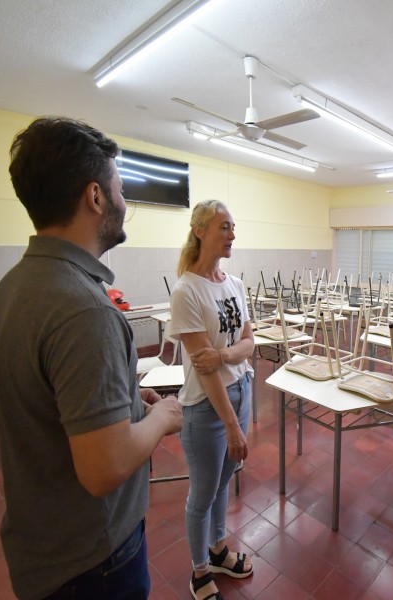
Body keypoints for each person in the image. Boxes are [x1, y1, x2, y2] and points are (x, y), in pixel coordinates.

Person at [0, 117, 183, 599]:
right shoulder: (85, 309)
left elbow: (51, 406)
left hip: (45, 547)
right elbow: (103, 468)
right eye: (119, 189)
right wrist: (158, 417)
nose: (123, 203)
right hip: (94, 564)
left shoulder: (13, 289)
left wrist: (127, 402)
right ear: (96, 197)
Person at [170, 200, 255, 600]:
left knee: (224, 481)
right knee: (203, 492)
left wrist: (225, 354)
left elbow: (249, 344)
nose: (232, 235)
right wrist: (233, 425)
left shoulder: (235, 284)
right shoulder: (187, 290)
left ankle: (218, 548)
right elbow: (204, 372)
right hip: (207, 407)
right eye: (224, 227)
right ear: (200, 231)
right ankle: (200, 570)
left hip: (243, 390)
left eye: (233, 227)